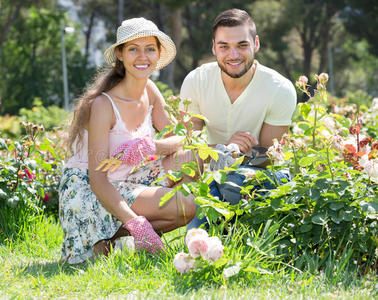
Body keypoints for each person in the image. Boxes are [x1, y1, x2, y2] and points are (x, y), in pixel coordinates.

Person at [59, 17, 197, 265]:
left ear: (158, 54)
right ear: (120, 55)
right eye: (133, 49)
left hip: (130, 175)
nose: (142, 57)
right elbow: (98, 180)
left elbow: (179, 137)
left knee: (192, 159)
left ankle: (114, 238)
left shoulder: (150, 91)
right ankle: (116, 234)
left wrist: (150, 148)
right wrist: (138, 224)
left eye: (149, 49)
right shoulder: (103, 105)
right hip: (90, 190)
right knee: (184, 204)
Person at [180, 9, 297, 228]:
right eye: (224, 46)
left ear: (256, 44)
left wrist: (240, 155)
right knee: (194, 238)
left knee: (233, 181)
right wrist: (227, 149)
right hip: (215, 182)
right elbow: (185, 150)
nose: (233, 55)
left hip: (260, 180)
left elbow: (271, 157)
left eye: (242, 45)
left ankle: (249, 228)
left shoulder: (279, 88)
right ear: (214, 47)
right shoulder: (196, 81)